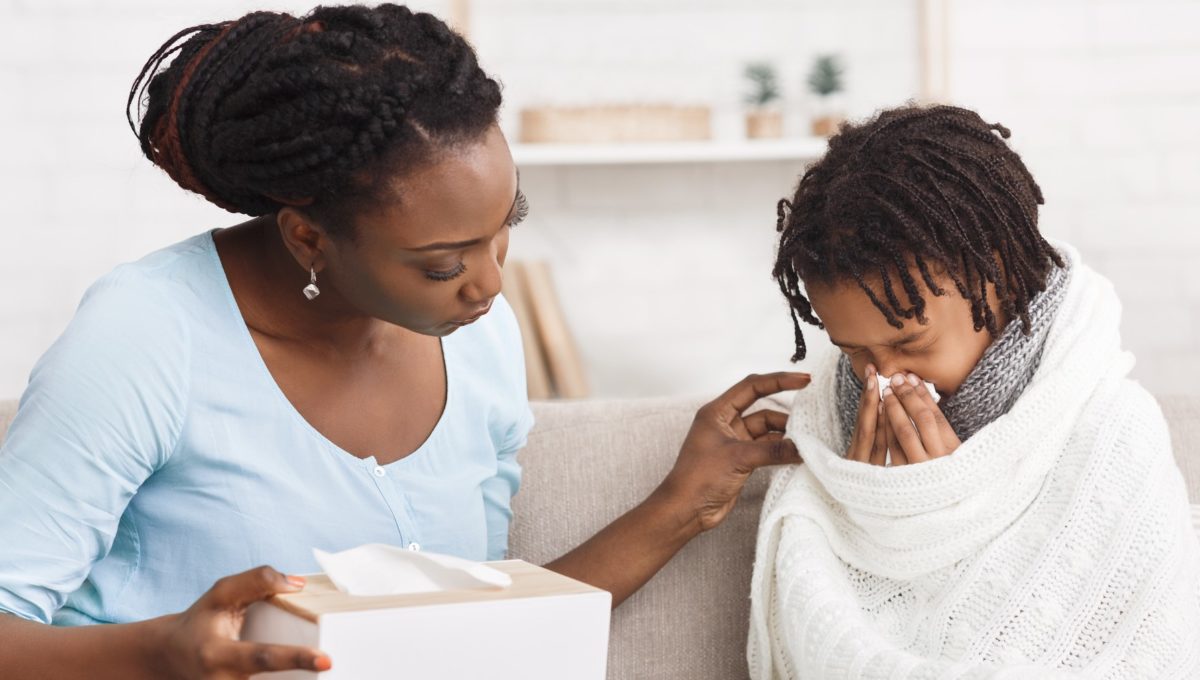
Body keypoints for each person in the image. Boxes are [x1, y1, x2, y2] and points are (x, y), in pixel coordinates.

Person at [0, 6, 806, 678]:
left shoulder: (477, 339)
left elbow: (475, 636)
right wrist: (157, 653)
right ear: (309, 238)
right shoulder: (146, 334)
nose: (489, 285)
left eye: (505, 232)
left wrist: (684, 502)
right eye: (444, 264)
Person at [748, 103, 1200, 678]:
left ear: (998, 278)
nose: (881, 379)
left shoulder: (1116, 430)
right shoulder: (826, 430)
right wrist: (880, 513)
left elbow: (1149, 651)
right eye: (854, 352)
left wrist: (947, 510)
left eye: (910, 343)